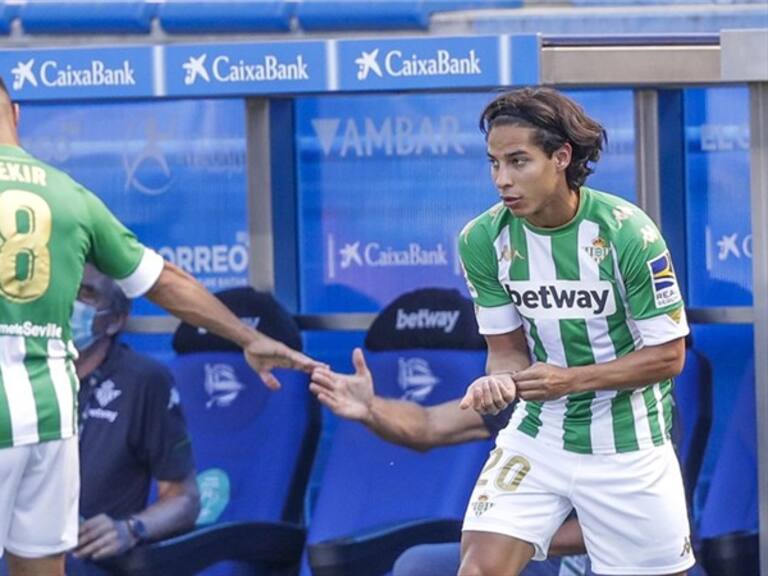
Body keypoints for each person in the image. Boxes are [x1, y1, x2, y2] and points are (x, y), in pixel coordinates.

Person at [0, 75, 320, 576]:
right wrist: (250, 338)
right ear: (16, 114)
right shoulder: (71, 196)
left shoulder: (141, 381)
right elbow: (163, 280)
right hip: (48, 417)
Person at [456, 87, 693, 576]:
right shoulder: (481, 239)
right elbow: (506, 353)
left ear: (561, 157)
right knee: (479, 569)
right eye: (494, 163)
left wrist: (571, 379)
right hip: (539, 437)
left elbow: (670, 358)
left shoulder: (629, 232)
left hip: (630, 448)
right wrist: (499, 381)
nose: (502, 179)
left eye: (518, 161)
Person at [309, 348, 591, 576]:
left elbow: (626, 515)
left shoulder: (611, 400)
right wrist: (370, 408)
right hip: (527, 545)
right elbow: (429, 425)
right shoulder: (528, 394)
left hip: (588, 550)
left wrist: (511, 540)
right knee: (419, 565)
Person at [64, 266, 199, 574]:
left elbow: (185, 499)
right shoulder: (22, 371)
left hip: (88, 561)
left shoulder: (143, 381)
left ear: (115, 320)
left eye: (86, 293)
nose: (68, 302)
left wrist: (130, 529)